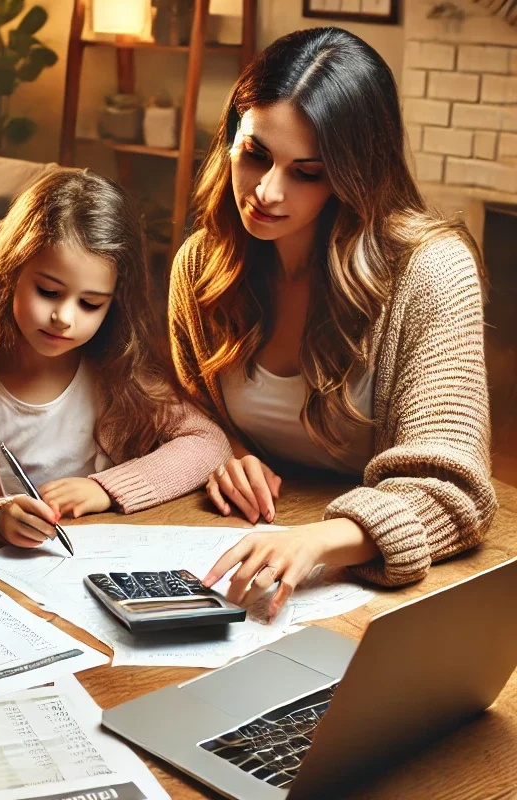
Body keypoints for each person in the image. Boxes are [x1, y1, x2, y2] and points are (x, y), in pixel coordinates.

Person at [168, 27, 497, 618]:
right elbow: (186, 409)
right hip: (242, 537)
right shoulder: (201, 265)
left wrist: (318, 540)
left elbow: (455, 493)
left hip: (370, 572)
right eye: (256, 154)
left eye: (308, 172)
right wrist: (225, 448)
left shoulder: (430, 271)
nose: (267, 191)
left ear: (355, 175)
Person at [0, 169, 232, 546]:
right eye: (49, 292)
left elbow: (209, 442)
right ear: (10, 274)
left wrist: (105, 489)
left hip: (106, 560)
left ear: (113, 305)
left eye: (90, 303)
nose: (64, 318)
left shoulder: (116, 373)